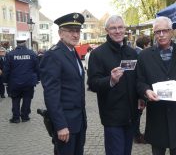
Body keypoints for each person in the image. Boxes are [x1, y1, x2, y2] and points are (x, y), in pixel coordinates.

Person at [136, 16, 176, 155]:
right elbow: (139, 82)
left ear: (172, 32)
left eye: (165, 31)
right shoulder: (144, 56)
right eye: (157, 31)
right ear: (154, 33)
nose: (161, 34)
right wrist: (146, 91)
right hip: (157, 118)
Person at [87, 15, 138, 155]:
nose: (117, 31)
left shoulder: (132, 52)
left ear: (125, 29)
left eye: (120, 27)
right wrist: (111, 80)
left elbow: (137, 80)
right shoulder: (98, 54)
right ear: (107, 31)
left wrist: (142, 97)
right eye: (113, 28)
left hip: (131, 115)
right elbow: (92, 83)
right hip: (112, 117)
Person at [40, 12, 87, 155]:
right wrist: (60, 125)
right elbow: (51, 94)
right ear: (60, 33)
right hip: (65, 125)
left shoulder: (72, 52)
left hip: (78, 122)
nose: (75, 35)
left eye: (77, 31)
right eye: (71, 31)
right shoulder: (53, 55)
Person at [3, 36, 39, 123]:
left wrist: (5, 81)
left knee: (15, 99)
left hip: (14, 82)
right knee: (27, 99)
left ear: (17, 43)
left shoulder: (11, 54)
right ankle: (25, 116)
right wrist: (37, 78)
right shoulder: (32, 53)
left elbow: (6, 69)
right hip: (28, 81)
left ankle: (16, 118)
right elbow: (37, 68)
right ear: (25, 43)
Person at [134, 35, 151, 144]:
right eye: (149, 44)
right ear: (145, 45)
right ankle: (137, 136)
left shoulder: (135, 51)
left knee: (137, 113)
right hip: (139, 92)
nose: (150, 46)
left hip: (136, 91)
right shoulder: (141, 54)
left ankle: (136, 134)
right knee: (138, 113)